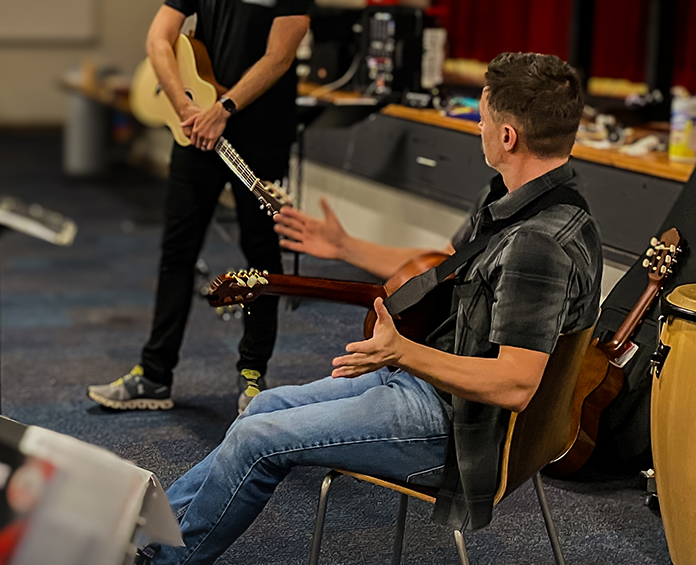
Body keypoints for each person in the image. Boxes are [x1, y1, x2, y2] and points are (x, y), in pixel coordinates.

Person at [142, 53, 600, 564]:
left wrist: (402, 353)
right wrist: (344, 247)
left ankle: (162, 560)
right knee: (266, 407)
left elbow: (515, 385)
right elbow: (451, 264)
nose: (479, 126)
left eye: (485, 116)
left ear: (509, 136)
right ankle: (146, 533)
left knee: (256, 436)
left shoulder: (538, 246)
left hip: (459, 428)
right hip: (436, 383)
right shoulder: (536, 199)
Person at [89, 0, 319, 413]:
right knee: (177, 250)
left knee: (258, 255)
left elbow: (280, 55)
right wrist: (187, 105)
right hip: (196, 132)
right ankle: (155, 375)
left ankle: (253, 378)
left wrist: (226, 106)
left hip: (255, 134)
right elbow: (158, 41)